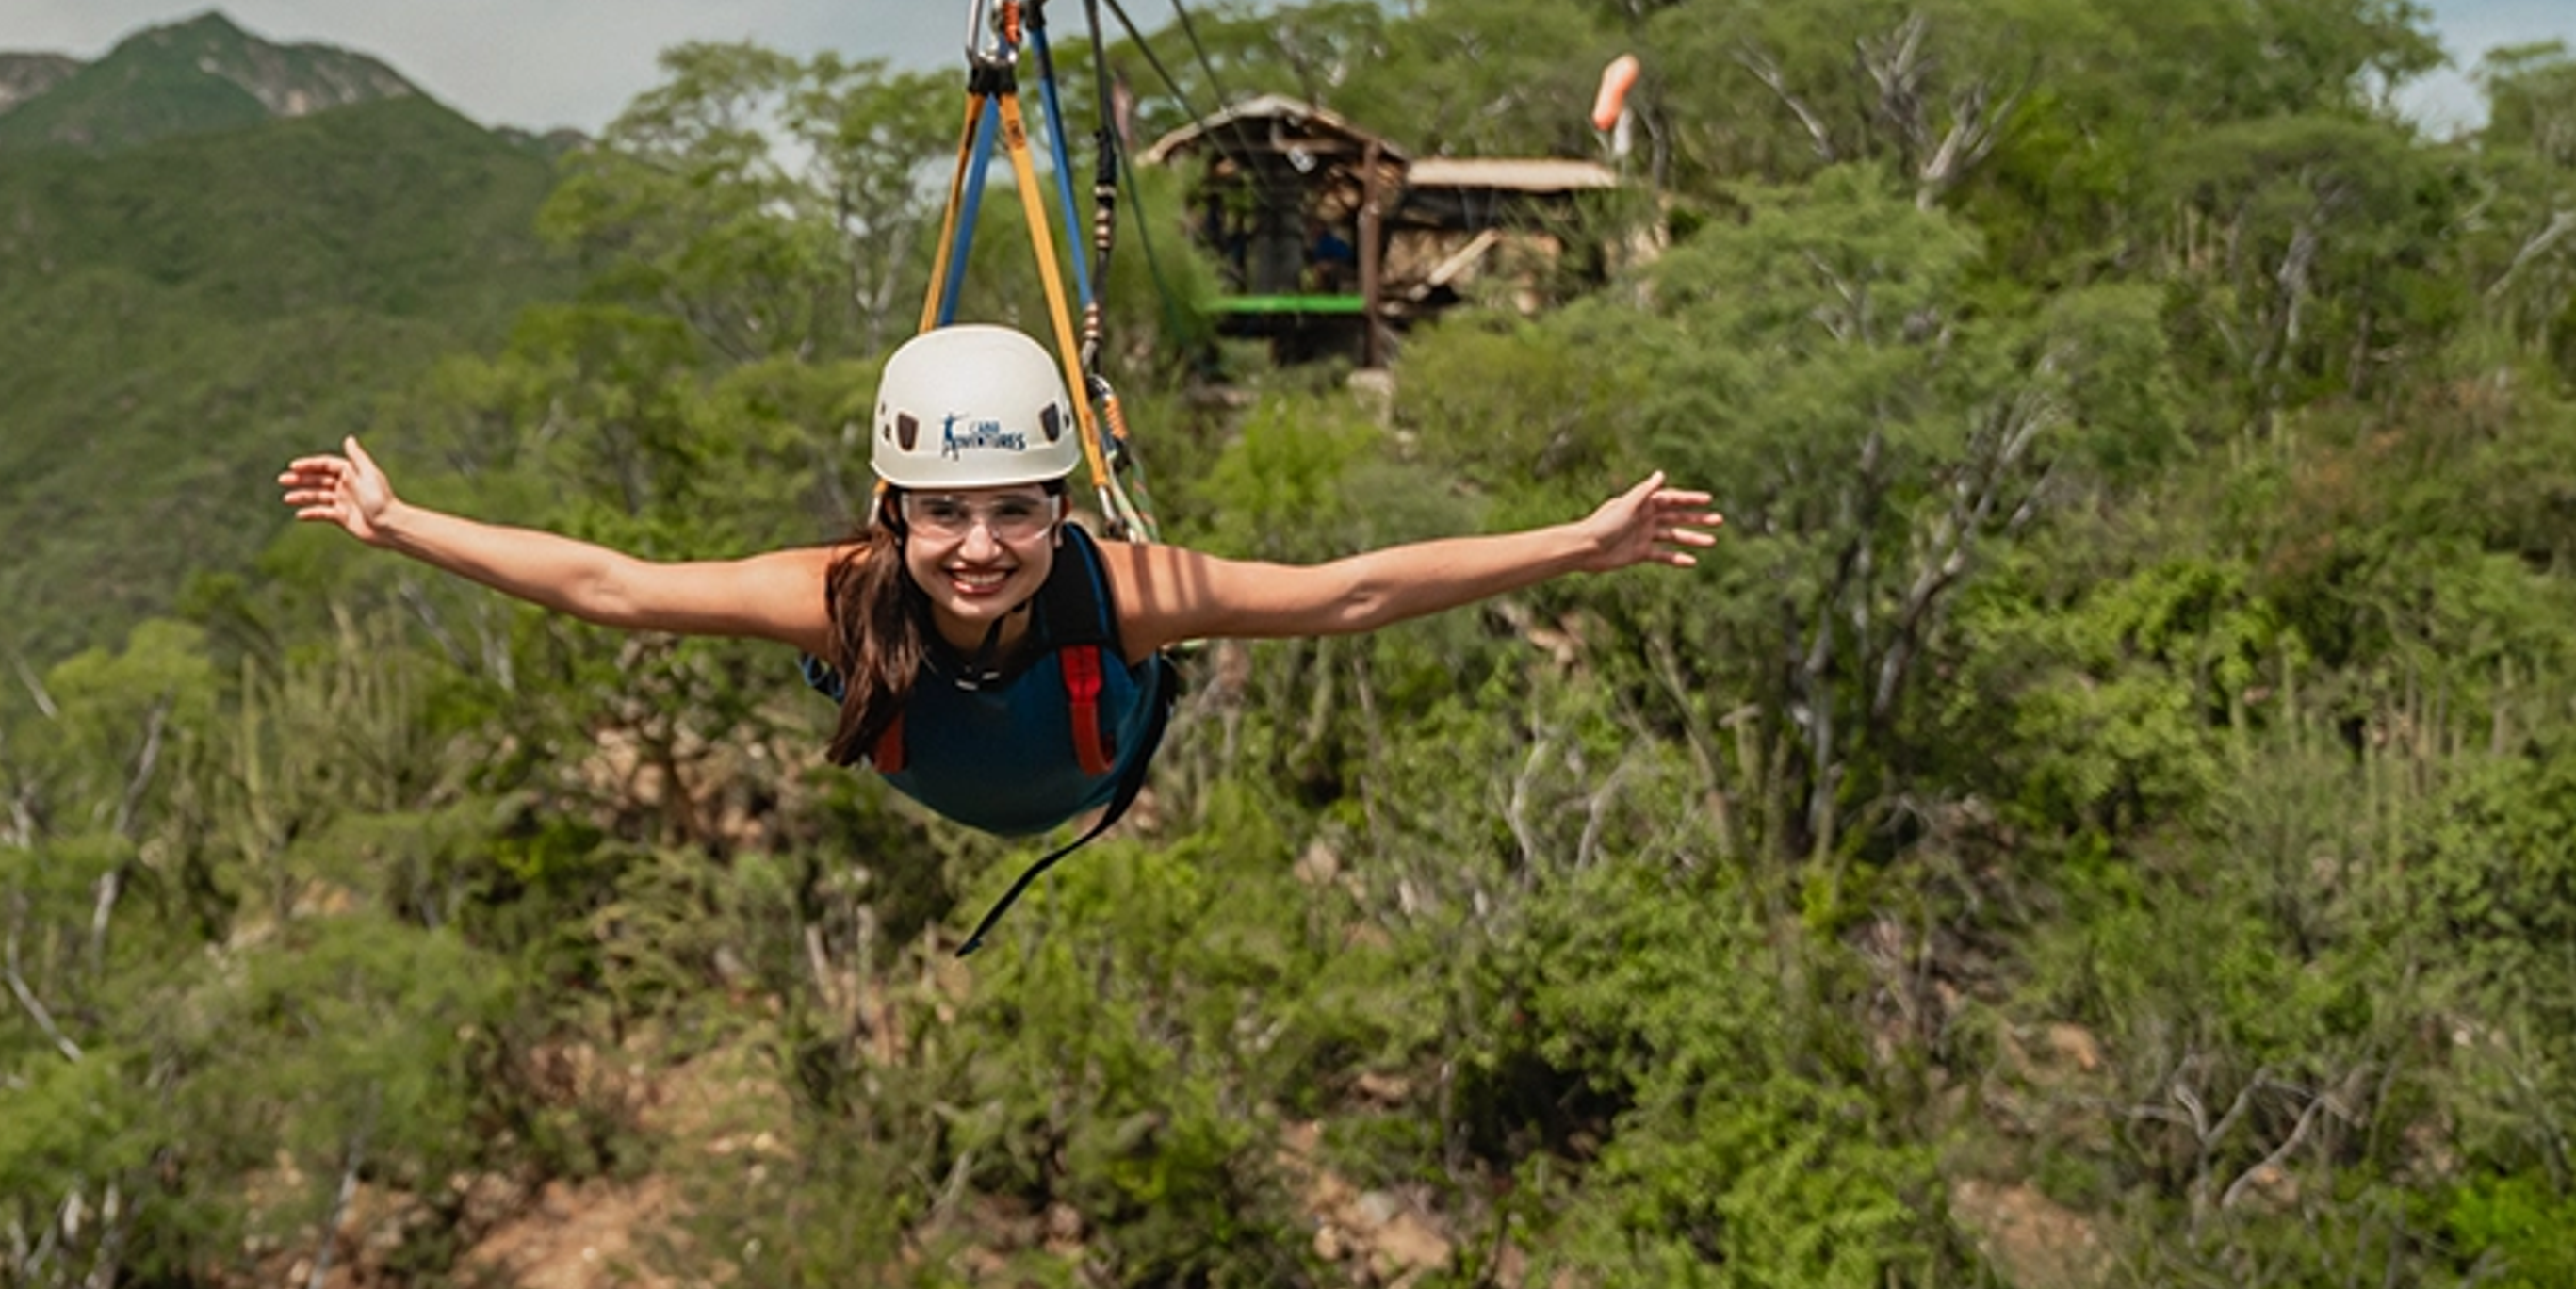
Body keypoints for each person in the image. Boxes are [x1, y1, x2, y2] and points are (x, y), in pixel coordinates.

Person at [279, 323, 1720, 943]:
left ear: (1059, 507)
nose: (980, 550)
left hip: (1075, 774)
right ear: (892, 509)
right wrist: (403, 523)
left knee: (1134, 634)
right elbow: (615, 585)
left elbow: (1347, 593)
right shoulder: (839, 592)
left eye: (1017, 514)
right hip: (958, 772)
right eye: (945, 516)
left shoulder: (1123, 591)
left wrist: (1577, 546)